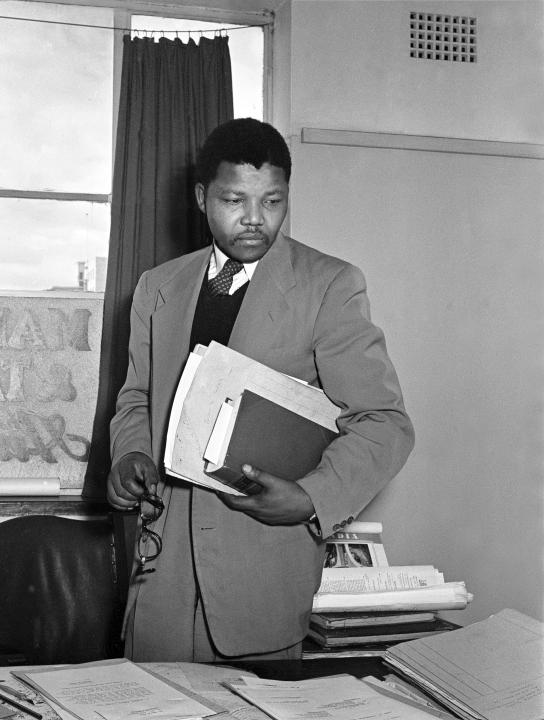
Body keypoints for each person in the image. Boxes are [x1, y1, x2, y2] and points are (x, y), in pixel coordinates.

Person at [107, 118, 414, 662]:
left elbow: (384, 422)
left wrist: (312, 499)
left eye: (272, 202)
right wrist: (130, 452)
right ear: (203, 198)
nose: (254, 219)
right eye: (234, 200)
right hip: (160, 579)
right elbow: (137, 397)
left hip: (260, 582)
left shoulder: (330, 285)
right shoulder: (158, 287)